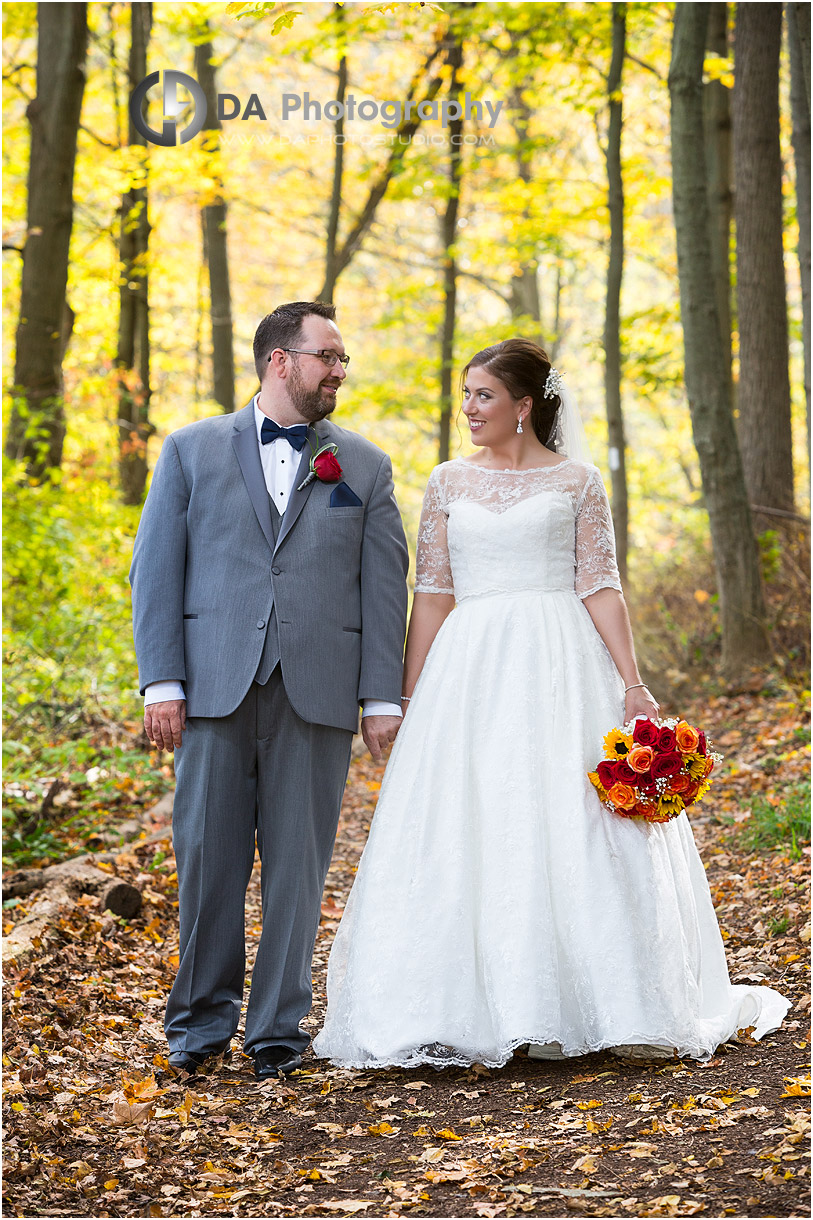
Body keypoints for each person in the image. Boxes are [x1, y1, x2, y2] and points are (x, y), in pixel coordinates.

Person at [313, 338, 791, 1069]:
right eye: (466, 395)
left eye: (483, 396)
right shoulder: (446, 482)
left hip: (562, 659)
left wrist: (630, 682)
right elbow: (432, 596)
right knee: (472, 818)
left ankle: (617, 1004)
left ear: (523, 406)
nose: (469, 408)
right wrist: (409, 698)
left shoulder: (576, 482)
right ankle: (469, 1008)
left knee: (575, 822)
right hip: (469, 668)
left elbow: (599, 584)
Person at [130, 301, 408, 1080]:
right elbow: (156, 571)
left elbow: (384, 589)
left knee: (297, 869)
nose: (339, 370)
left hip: (317, 693)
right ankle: (197, 1023)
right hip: (212, 689)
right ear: (279, 361)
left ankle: (277, 1029)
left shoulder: (363, 465)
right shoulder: (189, 451)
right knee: (208, 861)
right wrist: (162, 679)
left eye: (343, 357)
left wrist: (380, 695)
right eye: (328, 356)